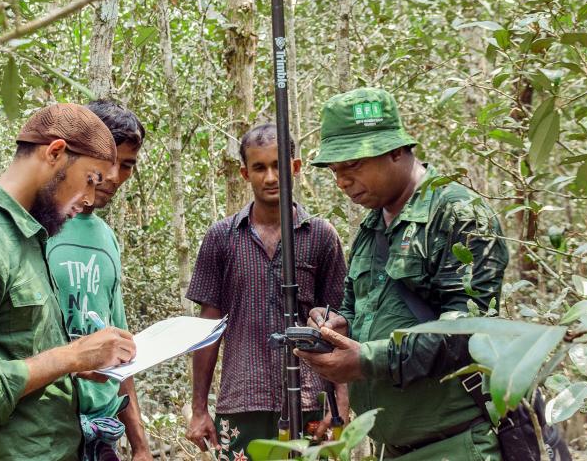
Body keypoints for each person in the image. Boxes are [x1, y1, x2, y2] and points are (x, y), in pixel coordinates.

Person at [296, 88, 509, 461]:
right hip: (393, 448)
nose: (341, 181)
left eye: (353, 165)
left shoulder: (458, 214)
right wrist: (338, 325)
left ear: (395, 151)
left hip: (455, 445)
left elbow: (467, 331)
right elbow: (358, 308)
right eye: (335, 170)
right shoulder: (372, 226)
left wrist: (366, 359)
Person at [0, 103, 137, 461]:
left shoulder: (29, 238)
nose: (88, 198)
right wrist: (69, 356)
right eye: (90, 179)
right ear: (55, 153)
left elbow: (17, 352)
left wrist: (76, 364)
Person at [185, 124, 347, 460]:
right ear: (245, 173)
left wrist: (340, 405)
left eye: (278, 166)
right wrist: (199, 409)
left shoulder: (321, 236)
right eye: (259, 167)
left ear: (295, 167)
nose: (270, 177)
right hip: (242, 401)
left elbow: (341, 327)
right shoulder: (221, 238)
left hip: (310, 401)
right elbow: (208, 329)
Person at [47, 100, 151, 461]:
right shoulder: (38, 226)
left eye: (127, 165)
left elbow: (119, 344)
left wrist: (140, 445)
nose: (115, 176)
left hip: (103, 431)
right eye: (109, 162)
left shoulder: (106, 238)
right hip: (47, 428)